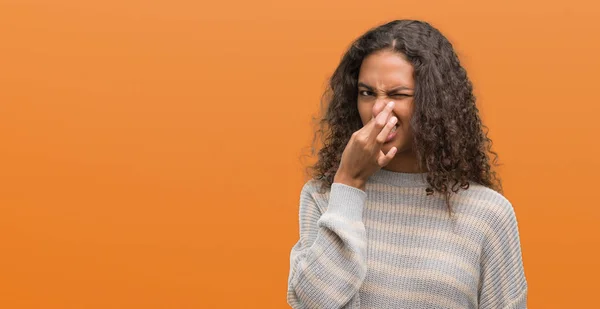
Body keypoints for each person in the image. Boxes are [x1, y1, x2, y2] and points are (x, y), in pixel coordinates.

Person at [286, 20, 528, 309]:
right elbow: (313, 303)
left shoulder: (488, 214)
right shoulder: (324, 196)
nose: (378, 109)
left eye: (397, 95)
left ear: (434, 102)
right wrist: (349, 183)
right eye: (367, 93)